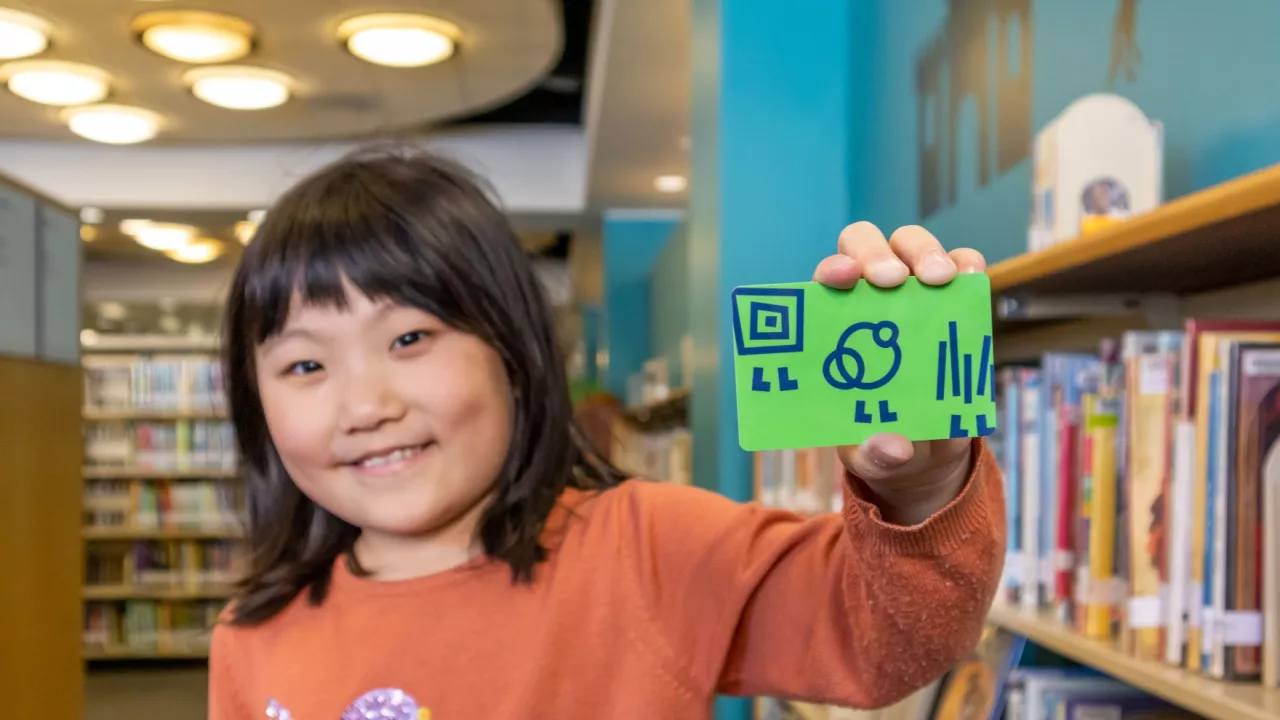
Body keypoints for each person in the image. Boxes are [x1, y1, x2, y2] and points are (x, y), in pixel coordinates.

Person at [209, 145, 1006, 719]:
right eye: (305, 367)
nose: (363, 405)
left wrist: (921, 488)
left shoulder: (650, 547)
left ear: (514, 356)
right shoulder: (253, 637)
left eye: (410, 339)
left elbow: (890, 643)